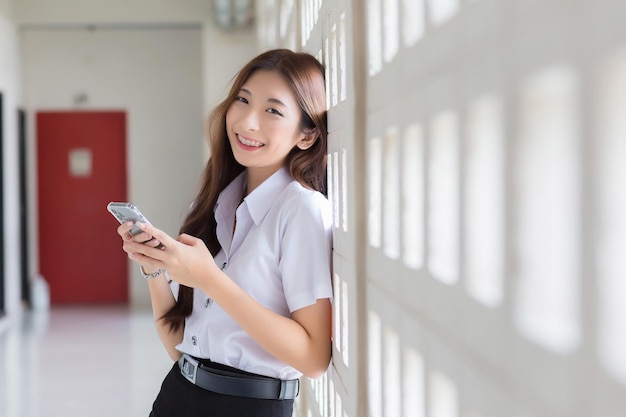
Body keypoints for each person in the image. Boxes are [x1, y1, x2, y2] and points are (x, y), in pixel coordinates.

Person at [117, 48, 333, 417]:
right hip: (177, 395)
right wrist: (153, 267)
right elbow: (180, 347)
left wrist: (209, 278)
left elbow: (314, 359)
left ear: (307, 136)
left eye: (273, 110)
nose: (248, 122)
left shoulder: (302, 210)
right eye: (242, 100)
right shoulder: (216, 204)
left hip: (250, 407)